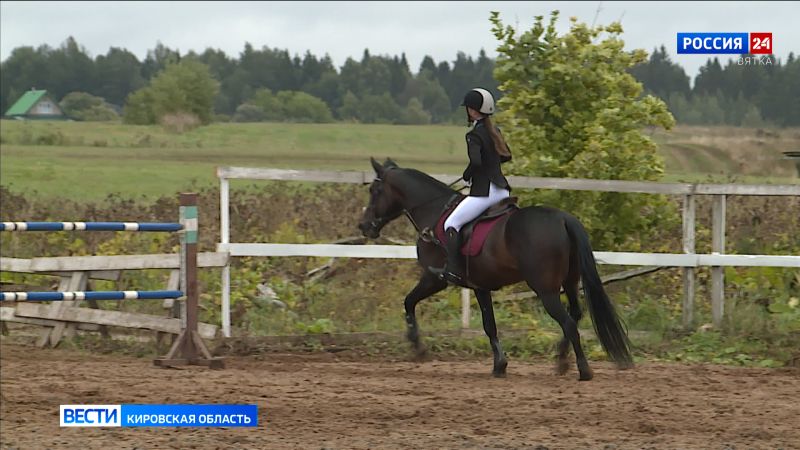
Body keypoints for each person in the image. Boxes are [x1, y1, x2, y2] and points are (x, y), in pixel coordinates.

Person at [430, 88, 512, 284]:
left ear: (473, 111)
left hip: (485, 193)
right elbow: (506, 156)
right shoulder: (495, 131)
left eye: (468, 109)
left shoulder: (473, 135)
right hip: (502, 190)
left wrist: (467, 176)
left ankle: (454, 270)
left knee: (451, 223)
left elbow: (476, 162)